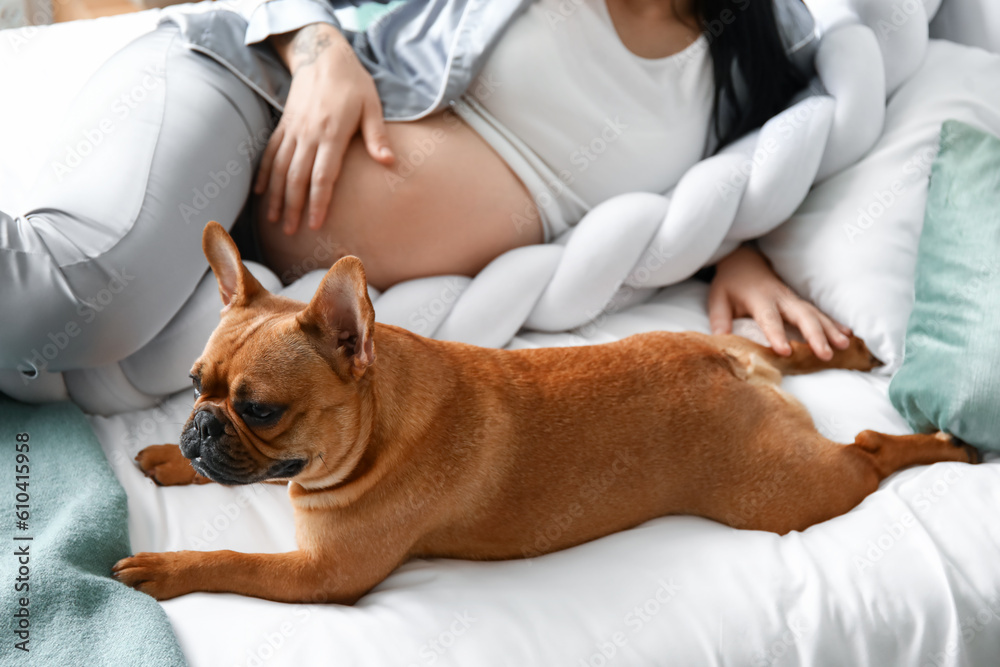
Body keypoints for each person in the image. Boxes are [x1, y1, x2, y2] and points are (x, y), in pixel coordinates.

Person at [0, 0, 850, 389]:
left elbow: (750, 162)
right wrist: (319, 45)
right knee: (81, 299)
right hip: (249, 92)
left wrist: (739, 249)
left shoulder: (756, 49)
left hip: (250, 260)